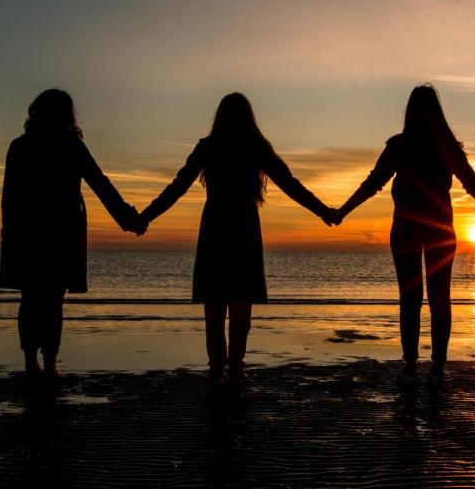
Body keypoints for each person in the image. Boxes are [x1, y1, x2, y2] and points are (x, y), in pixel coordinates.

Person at [135, 93, 332, 387]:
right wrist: (323, 211)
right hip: (243, 226)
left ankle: (217, 369)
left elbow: (176, 188)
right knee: (241, 304)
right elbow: (290, 184)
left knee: (214, 305)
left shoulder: (208, 147)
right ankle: (236, 368)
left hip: (215, 225)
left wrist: (145, 217)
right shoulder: (255, 147)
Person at [332, 85, 475, 387]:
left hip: (406, 228)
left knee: (410, 298)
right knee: (439, 298)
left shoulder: (400, 145)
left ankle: (410, 366)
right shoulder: (445, 146)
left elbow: (372, 184)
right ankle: (437, 368)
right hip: (439, 229)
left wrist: (342, 211)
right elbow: (474, 185)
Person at [0, 89, 139, 380]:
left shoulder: (19, 146)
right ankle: (48, 365)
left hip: (27, 232)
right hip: (61, 232)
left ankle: (30, 361)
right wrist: (128, 218)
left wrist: (9, 230)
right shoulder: (72, 146)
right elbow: (101, 184)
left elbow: (9, 196)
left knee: (30, 298)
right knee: (52, 300)